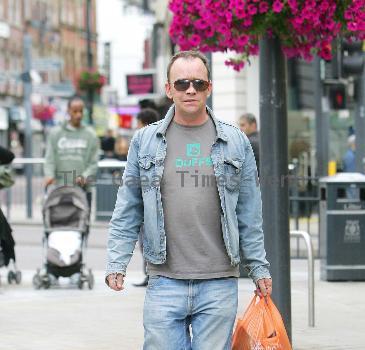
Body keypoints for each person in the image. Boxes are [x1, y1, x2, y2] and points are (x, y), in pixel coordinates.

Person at [106, 50, 272, 349]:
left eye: (198, 82)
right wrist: (117, 263)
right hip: (164, 280)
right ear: (169, 90)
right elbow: (128, 207)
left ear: (209, 87)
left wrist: (259, 267)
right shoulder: (144, 141)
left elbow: (250, 212)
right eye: (181, 83)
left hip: (219, 281)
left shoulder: (236, 141)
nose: (190, 89)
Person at [44, 96, 100, 209]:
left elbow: (94, 162)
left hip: (83, 191)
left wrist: (84, 176)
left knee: (82, 224)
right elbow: (49, 158)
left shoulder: (91, 135)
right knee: (60, 223)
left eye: (81, 111)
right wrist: (49, 175)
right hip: (60, 189)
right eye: (75, 111)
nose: (78, 115)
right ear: (68, 111)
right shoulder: (55, 133)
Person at [133, 108, 159, 287]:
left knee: (147, 239)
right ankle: (151, 274)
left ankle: (151, 274)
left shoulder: (144, 141)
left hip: (147, 198)